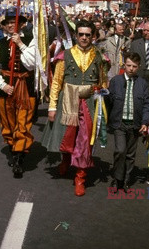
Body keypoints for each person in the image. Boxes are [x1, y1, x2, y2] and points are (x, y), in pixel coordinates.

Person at [41, 19, 109, 196]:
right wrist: (52, 107)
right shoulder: (65, 55)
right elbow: (56, 82)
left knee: (84, 139)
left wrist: (98, 91)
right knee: (68, 134)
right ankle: (65, 160)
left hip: (89, 102)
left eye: (88, 34)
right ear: (76, 35)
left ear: (93, 36)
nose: (84, 38)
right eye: (81, 34)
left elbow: (103, 82)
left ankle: (80, 177)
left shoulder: (100, 55)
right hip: (67, 99)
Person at [0, 8, 36, 178]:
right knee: (7, 124)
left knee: (23, 123)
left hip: (26, 88)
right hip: (6, 89)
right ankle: (13, 148)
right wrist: (2, 85)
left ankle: (18, 158)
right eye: (7, 23)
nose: (10, 26)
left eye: (14, 23)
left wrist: (21, 44)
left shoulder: (30, 41)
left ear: (21, 25)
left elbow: (31, 64)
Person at [105, 52, 149, 191]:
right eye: (129, 65)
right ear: (124, 64)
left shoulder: (142, 84)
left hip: (135, 124)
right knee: (120, 150)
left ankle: (126, 179)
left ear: (139, 67)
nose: (131, 68)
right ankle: (117, 178)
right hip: (119, 123)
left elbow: (146, 104)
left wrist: (145, 122)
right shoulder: (115, 81)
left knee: (130, 154)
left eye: (134, 66)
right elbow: (109, 102)